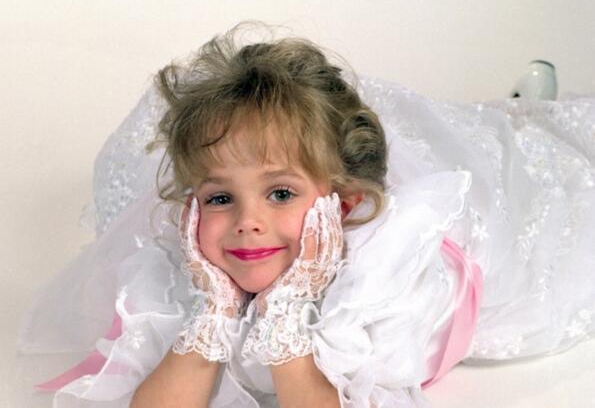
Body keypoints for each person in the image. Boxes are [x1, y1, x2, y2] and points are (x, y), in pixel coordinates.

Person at [17, 24, 595, 407]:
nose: (247, 221)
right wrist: (215, 313)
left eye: (280, 194)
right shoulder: (187, 274)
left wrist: (286, 316)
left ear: (338, 206)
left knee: (545, 184)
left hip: (494, 250)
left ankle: (523, 110)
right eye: (220, 198)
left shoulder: (380, 286)